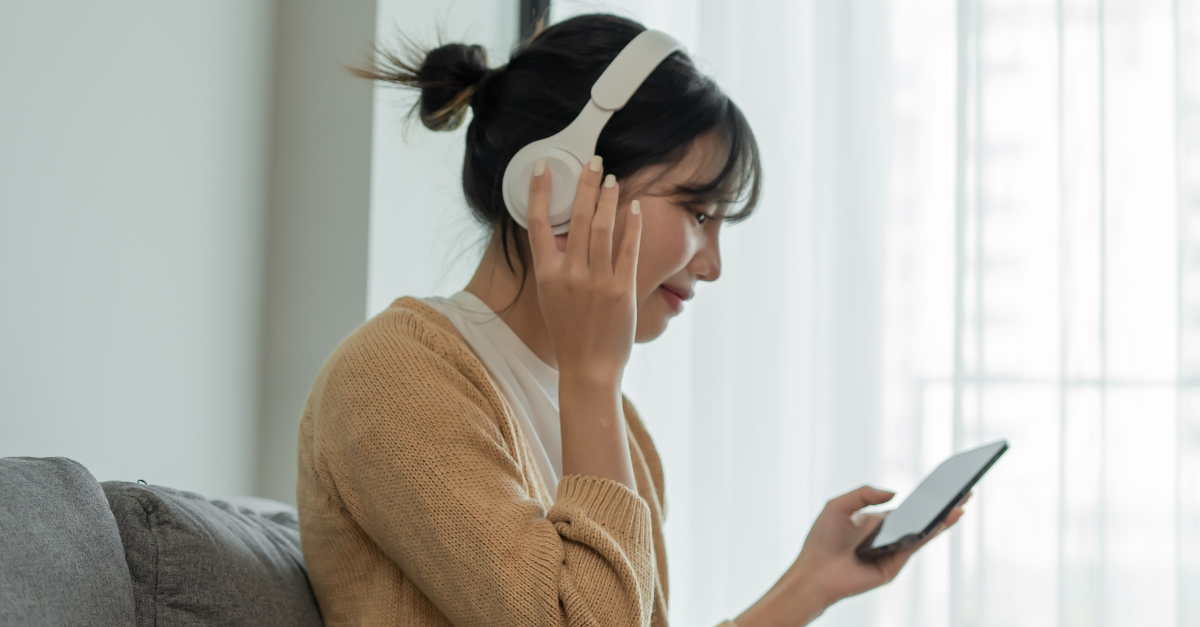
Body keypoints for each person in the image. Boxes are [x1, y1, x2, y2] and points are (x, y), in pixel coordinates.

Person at [295, 13, 965, 627]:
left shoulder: (626, 436)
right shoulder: (391, 379)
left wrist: (809, 585)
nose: (712, 266)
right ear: (559, 183)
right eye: (698, 213)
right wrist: (592, 373)